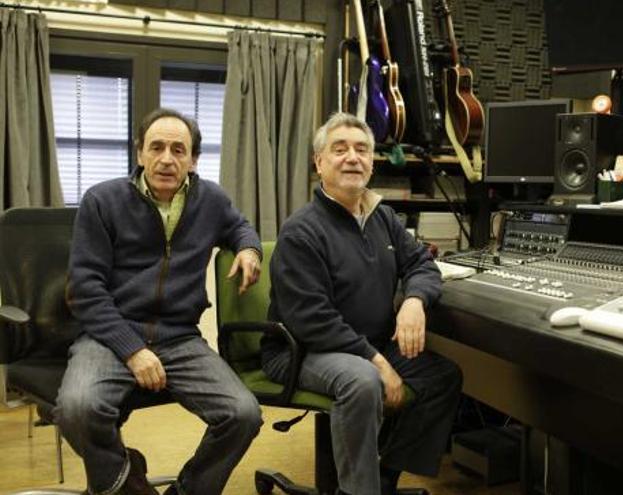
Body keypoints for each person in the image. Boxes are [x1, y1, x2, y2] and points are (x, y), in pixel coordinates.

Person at [56, 108, 264, 495]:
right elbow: (85, 289)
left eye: (178, 150)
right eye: (156, 147)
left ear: (193, 160)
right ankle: (126, 482)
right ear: (140, 154)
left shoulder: (211, 199)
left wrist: (250, 249)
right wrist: (132, 350)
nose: (167, 158)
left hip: (179, 337)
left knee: (242, 414)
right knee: (77, 410)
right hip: (109, 335)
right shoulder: (102, 200)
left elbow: (240, 226)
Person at [263, 112, 463, 495]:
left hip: (369, 345)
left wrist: (414, 302)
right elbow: (312, 320)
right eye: (339, 150)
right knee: (363, 381)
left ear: (372, 163)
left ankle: (384, 478)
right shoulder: (301, 230)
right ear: (319, 163)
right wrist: (378, 360)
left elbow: (422, 263)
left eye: (361, 150)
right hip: (301, 349)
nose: (352, 157)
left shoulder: (383, 217)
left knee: (442, 377)